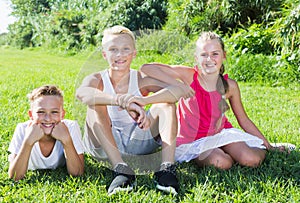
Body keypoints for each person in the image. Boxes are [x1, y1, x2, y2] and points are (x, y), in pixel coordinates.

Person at [76, 25, 191, 195]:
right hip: (103, 146)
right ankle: (121, 169)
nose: (119, 55)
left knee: (166, 104)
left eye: (125, 49)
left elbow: (179, 91)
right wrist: (120, 101)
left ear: (134, 53)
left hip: (136, 141)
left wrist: (143, 100)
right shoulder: (97, 78)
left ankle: (167, 168)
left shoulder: (140, 79)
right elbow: (82, 94)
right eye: (113, 49)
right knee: (95, 103)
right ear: (104, 54)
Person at [140, 31, 274, 170]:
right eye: (204, 55)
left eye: (215, 54)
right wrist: (179, 85)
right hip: (192, 141)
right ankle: (226, 154)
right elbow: (147, 69)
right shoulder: (189, 76)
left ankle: (246, 149)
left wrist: (268, 146)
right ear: (196, 57)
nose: (209, 59)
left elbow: (243, 119)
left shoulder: (230, 86)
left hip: (220, 134)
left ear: (224, 55)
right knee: (221, 163)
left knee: (252, 160)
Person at [8, 85, 85, 181]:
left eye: (54, 112)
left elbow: (77, 173)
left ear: (62, 114)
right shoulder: (22, 129)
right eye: (41, 112)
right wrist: (28, 142)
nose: (48, 118)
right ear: (31, 115)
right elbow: (15, 177)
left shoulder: (71, 127)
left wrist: (67, 141)